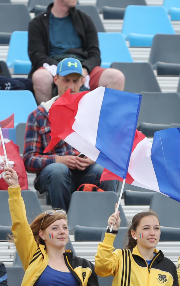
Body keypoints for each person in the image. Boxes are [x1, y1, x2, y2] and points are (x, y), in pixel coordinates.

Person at [23, 57, 119, 211]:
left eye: (75, 81)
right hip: (54, 175)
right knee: (58, 170)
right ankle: (62, 221)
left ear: (82, 81)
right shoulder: (40, 114)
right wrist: (59, 159)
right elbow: (29, 160)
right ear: (56, 79)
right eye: (66, 80)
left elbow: (109, 150)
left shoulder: (94, 113)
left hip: (86, 171)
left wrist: (92, 159)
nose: (71, 86)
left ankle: (105, 220)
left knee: (106, 170)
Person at [27, 0, 125, 103]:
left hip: (82, 66)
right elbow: (37, 56)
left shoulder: (85, 19)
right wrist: (62, 68)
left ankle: (105, 120)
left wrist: (84, 68)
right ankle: (49, 116)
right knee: (40, 77)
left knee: (117, 77)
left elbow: (95, 54)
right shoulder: (38, 23)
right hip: (53, 66)